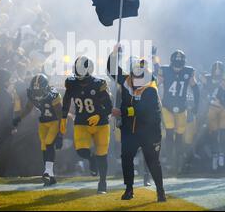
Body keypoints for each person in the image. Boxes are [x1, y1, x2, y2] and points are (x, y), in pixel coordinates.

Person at [107, 46, 166, 202]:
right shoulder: (127, 81)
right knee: (126, 158)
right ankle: (129, 189)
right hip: (130, 130)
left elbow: (144, 111)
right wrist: (115, 54)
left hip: (149, 131)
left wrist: (122, 112)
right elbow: (112, 69)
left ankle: (160, 191)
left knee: (153, 161)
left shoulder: (151, 89)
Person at [61, 56, 112, 194]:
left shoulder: (98, 83)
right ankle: (91, 159)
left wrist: (99, 115)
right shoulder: (72, 83)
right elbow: (66, 100)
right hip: (82, 122)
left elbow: (109, 106)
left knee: (102, 154)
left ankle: (102, 183)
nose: (79, 78)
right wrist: (63, 117)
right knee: (81, 150)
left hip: (101, 123)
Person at [13, 73, 63, 186]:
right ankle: (51, 176)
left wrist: (60, 134)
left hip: (54, 121)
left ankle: (47, 172)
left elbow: (61, 115)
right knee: (44, 147)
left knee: (49, 143)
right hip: (43, 123)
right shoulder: (32, 94)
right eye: (35, 91)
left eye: (39, 91)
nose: (37, 94)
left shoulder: (53, 95)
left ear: (45, 88)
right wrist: (19, 118)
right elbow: (29, 107)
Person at [158, 50, 200, 174]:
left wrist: (196, 105)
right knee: (170, 133)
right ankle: (170, 161)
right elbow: (155, 85)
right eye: (176, 63)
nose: (177, 67)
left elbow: (195, 88)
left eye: (180, 63)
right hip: (167, 106)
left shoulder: (188, 71)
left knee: (180, 135)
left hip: (182, 108)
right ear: (172, 62)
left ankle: (177, 161)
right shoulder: (164, 70)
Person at [202, 61, 225, 171]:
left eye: (219, 69)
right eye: (216, 69)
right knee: (213, 134)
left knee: (223, 132)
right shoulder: (207, 79)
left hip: (223, 108)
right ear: (212, 70)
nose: (217, 72)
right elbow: (203, 94)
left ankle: (221, 154)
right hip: (212, 108)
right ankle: (215, 155)